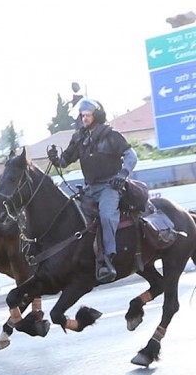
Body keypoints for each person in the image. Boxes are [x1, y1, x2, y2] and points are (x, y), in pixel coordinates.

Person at [48, 98, 137, 283]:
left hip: (109, 187)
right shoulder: (79, 138)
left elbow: (131, 155)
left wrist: (122, 175)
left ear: (96, 115)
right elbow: (65, 161)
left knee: (106, 215)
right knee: (71, 215)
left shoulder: (111, 135)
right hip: (89, 188)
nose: (84, 118)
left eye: (87, 115)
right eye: (82, 115)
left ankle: (108, 258)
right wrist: (55, 159)